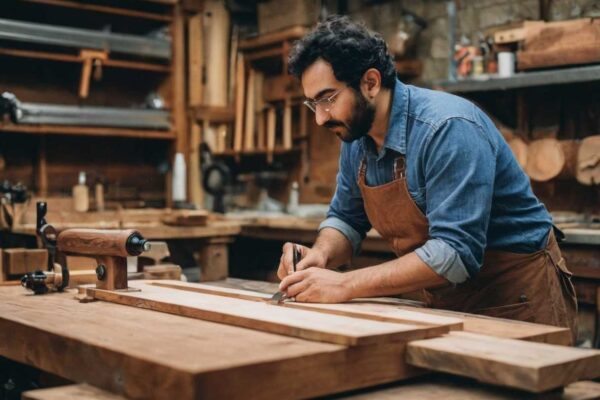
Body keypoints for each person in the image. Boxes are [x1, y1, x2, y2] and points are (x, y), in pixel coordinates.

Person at [276, 15, 577, 342]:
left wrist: (345, 284)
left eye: (327, 99)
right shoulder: (355, 136)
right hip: (444, 299)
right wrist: (321, 255)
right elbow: (346, 218)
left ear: (371, 83)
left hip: (516, 297)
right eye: (313, 103)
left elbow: (455, 254)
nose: (320, 118)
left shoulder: (448, 128)